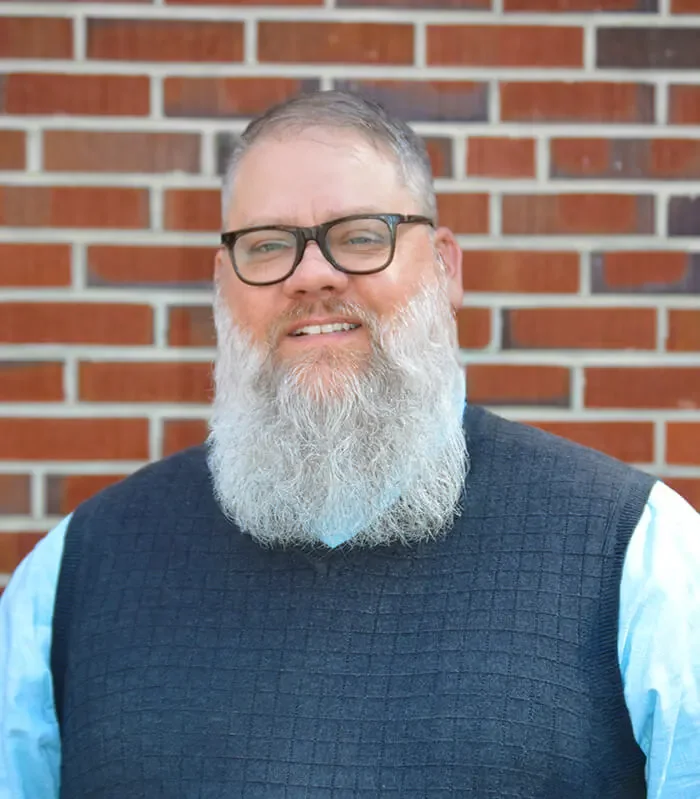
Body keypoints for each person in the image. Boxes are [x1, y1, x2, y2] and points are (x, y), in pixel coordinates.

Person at [1, 90, 698, 799]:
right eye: (267, 245)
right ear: (222, 285)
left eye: (363, 236)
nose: (312, 275)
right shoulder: (75, 575)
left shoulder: (639, 557)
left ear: (446, 268)